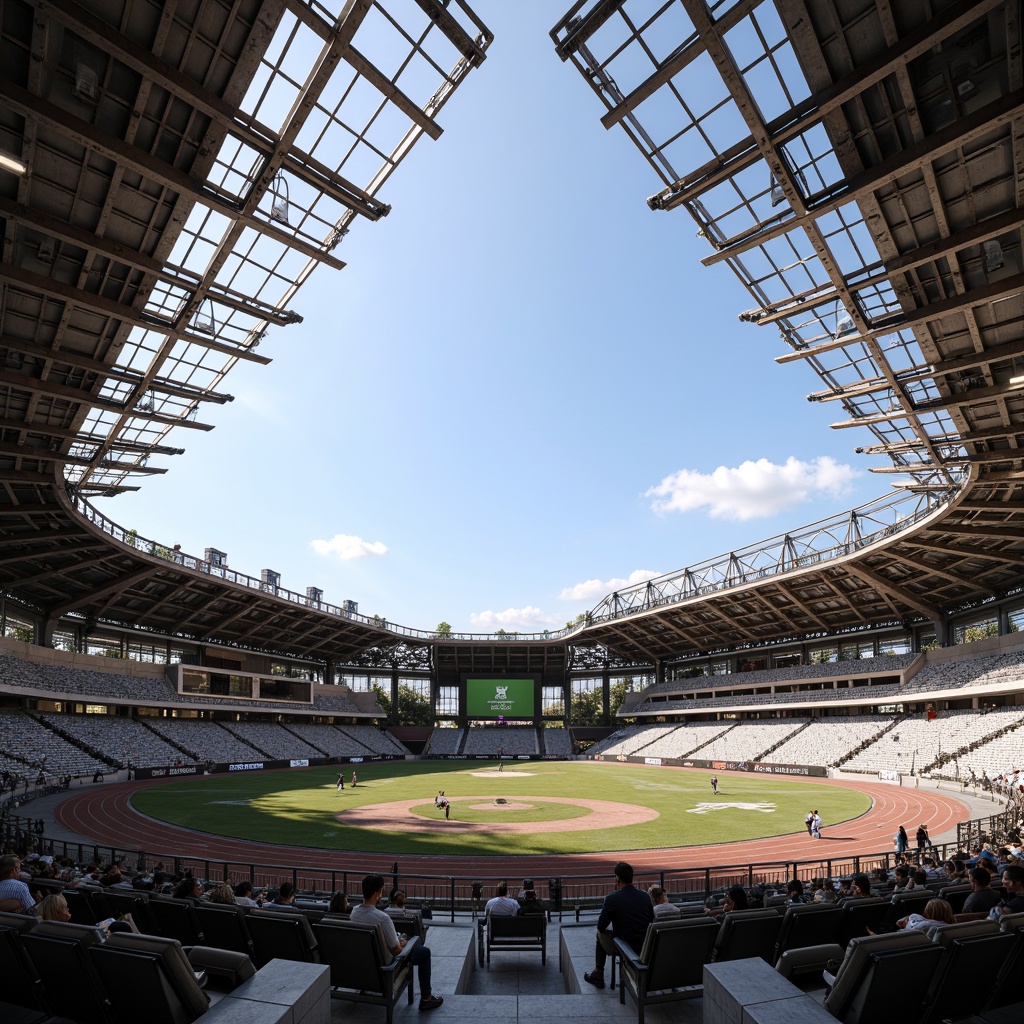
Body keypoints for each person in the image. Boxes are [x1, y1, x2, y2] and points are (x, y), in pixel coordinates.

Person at [351, 873, 442, 1012]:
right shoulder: (383, 918)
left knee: (406, 941)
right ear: (377, 893)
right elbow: (396, 951)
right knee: (422, 949)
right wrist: (405, 945)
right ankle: (426, 998)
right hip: (387, 969)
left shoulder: (354, 913)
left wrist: (398, 942)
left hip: (363, 966)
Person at [583, 862, 653, 989]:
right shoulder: (645, 896)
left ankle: (598, 973)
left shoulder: (612, 899)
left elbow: (601, 927)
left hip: (624, 947)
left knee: (599, 935)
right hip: (644, 944)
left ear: (617, 878)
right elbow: (651, 920)